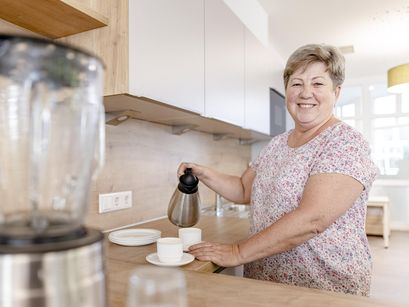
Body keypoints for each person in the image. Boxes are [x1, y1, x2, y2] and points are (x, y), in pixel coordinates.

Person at [177, 44, 378, 296]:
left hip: (323, 289)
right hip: (267, 283)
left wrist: (238, 252)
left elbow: (313, 218)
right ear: (287, 92)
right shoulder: (277, 144)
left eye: (317, 84)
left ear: (336, 92)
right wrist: (204, 173)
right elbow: (243, 189)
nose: (306, 93)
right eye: (296, 84)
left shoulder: (345, 142)